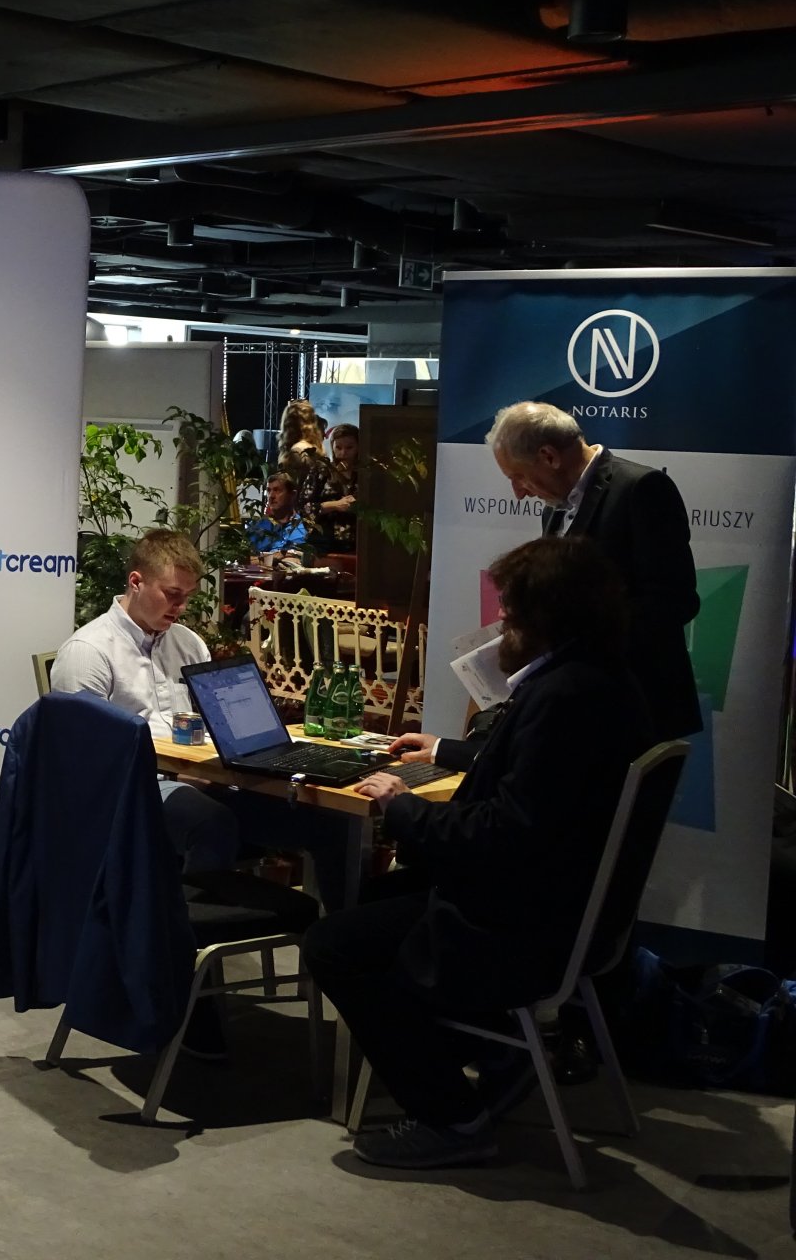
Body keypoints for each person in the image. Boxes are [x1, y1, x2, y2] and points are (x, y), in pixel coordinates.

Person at [303, 535, 653, 1170]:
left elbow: (503, 833)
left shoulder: (560, 697)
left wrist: (402, 807)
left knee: (333, 944)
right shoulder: (605, 681)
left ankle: (451, 1117)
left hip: (518, 928)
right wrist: (444, 750)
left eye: (512, 610)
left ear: (548, 615)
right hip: (576, 916)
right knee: (377, 901)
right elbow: (538, 780)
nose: (503, 620)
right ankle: (499, 1052)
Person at [391, 401, 700, 769]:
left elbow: (675, 601)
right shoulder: (553, 506)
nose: (518, 493)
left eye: (518, 476)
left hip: (634, 703)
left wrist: (571, 638)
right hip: (577, 703)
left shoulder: (641, 488)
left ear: (549, 456)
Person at [53, 528, 351, 908]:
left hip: (207, 779)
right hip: (131, 792)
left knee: (332, 822)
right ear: (136, 582)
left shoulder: (188, 643)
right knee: (211, 823)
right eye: (172, 594)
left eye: (187, 597)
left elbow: (217, 724)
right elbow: (85, 761)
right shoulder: (88, 651)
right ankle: (189, 938)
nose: (180, 607)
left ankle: (338, 939)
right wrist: (180, 775)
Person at [308, 423, 358, 554]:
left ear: (359, 447)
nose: (343, 453)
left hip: (358, 544)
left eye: (349, 447)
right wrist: (334, 505)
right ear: (332, 447)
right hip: (323, 544)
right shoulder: (322, 471)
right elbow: (303, 507)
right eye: (338, 447)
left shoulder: (365, 474)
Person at [247, 471, 309, 559]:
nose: (271, 496)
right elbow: (243, 556)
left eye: (277, 490)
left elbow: (295, 558)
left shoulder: (302, 527)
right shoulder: (256, 526)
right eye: (269, 490)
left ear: (292, 494)